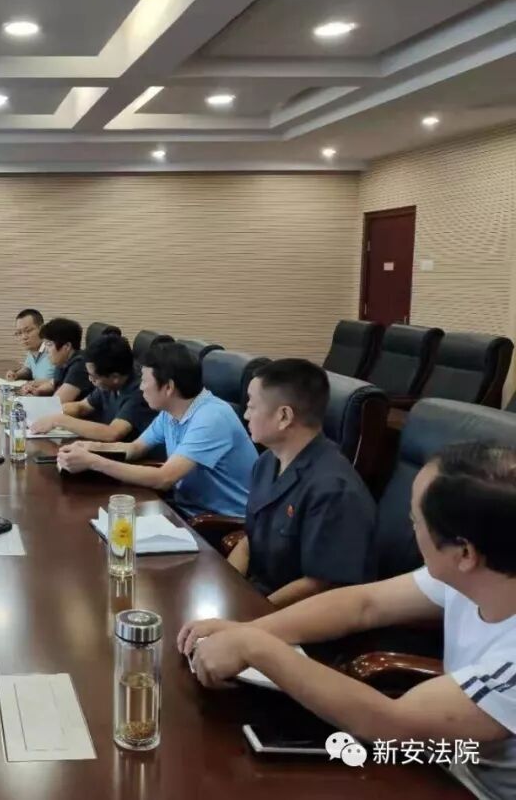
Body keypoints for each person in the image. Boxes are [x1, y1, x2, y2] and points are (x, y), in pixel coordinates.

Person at [178, 443, 516, 799]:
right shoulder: (481, 572)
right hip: (449, 760)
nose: (411, 527)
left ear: (465, 553)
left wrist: (255, 648)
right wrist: (247, 630)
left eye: (417, 521)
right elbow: (364, 604)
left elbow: (391, 723)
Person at [232, 359, 377, 607]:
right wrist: (227, 587)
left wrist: (251, 613)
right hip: (258, 597)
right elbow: (249, 542)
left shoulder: (334, 489)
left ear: (284, 416)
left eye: (252, 406)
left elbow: (320, 585)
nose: (245, 415)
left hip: (300, 614)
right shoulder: (267, 462)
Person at [56, 341, 256, 517]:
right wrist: (90, 447)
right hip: (185, 509)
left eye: (145, 381)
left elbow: (164, 478)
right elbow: (135, 448)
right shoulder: (171, 412)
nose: (141, 387)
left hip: (219, 524)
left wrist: (93, 462)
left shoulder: (211, 417)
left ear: (168, 387)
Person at [29, 334, 155, 442]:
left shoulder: (140, 392)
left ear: (115, 377)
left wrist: (59, 420)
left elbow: (112, 433)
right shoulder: (109, 383)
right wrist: (43, 414)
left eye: (93, 377)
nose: (90, 380)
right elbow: (82, 407)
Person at [19, 318, 92, 403]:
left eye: (49, 344)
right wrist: (37, 391)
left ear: (67, 346)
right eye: (45, 344)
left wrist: (31, 400)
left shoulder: (80, 365)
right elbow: (53, 383)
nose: (46, 350)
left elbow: (56, 403)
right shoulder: (63, 361)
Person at [4, 309, 56, 383]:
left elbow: (62, 381)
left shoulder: (55, 350)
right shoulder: (32, 350)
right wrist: (16, 375)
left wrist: (35, 384)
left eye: (28, 331)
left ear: (42, 329)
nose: (24, 337)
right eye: (19, 333)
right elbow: (28, 369)